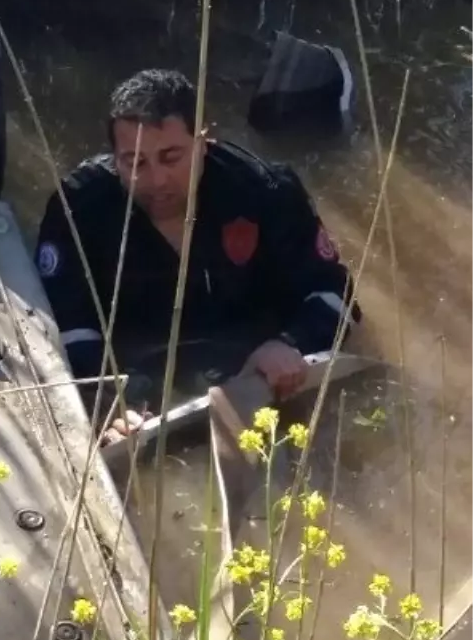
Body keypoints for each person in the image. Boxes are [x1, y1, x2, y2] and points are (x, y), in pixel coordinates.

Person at [34, 68, 359, 436]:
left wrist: (289, 345)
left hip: (254, 376)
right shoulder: (79, 209)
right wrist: (105, 402)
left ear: (204, 140)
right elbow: (61, 325)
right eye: (135, 162)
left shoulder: (265, 192)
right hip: (136, 386)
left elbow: (336, 293)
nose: (156, 181)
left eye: (172, 157)